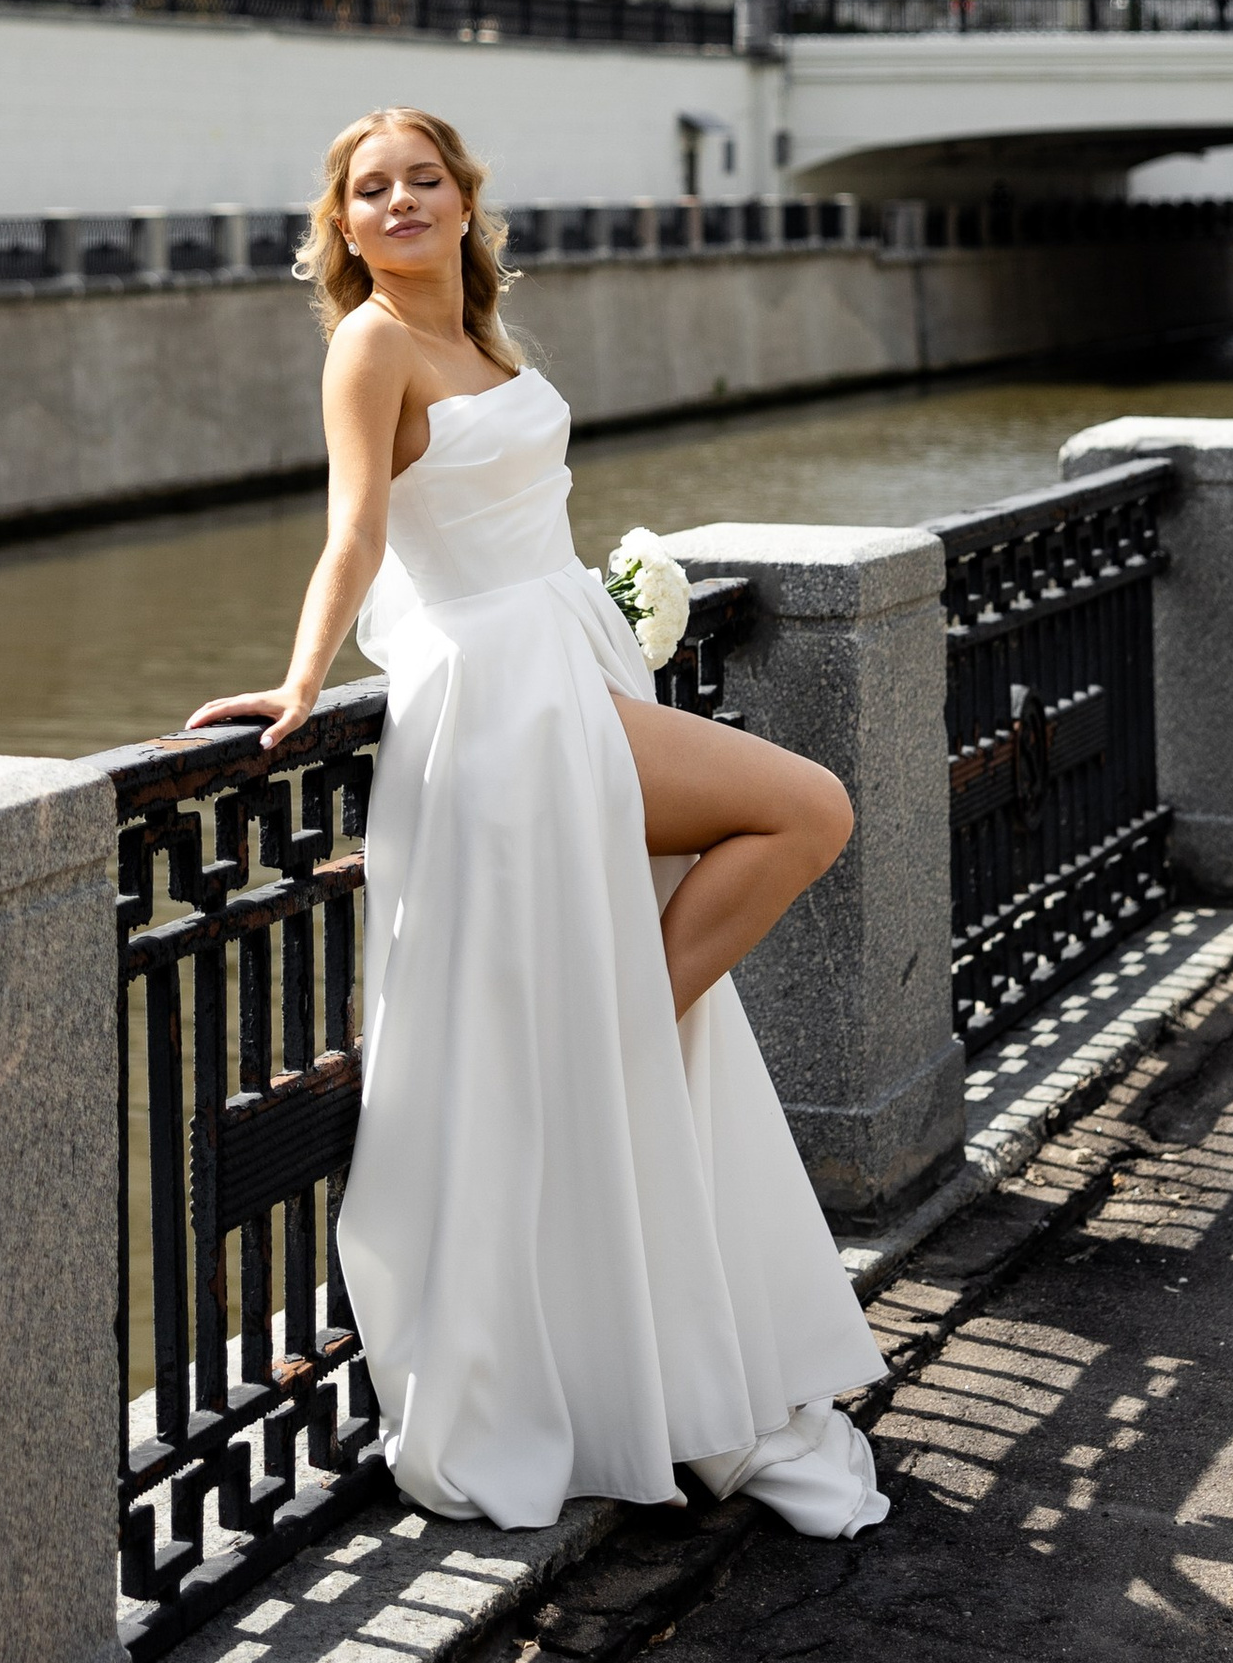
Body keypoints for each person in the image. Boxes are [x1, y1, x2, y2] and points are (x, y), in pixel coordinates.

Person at [185, 104, 890, 1536]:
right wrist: (301, 682)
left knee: (792, 821)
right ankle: (609, 1039)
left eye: (420, 179)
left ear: (463, 197)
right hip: (502, 693)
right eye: (369, 190)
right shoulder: (370, 345)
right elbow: (356, 530)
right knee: (805, 807)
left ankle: (602, 1041)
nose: (397, 202)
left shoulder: (487, 339)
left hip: (566, 658)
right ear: (343, 223)